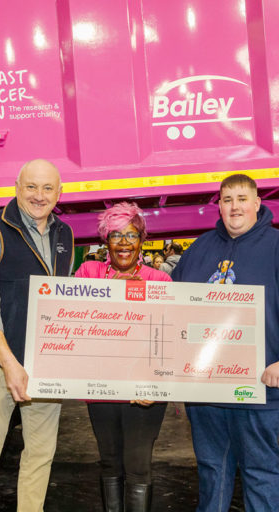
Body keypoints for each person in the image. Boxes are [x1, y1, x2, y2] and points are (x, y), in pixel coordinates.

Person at [171, 174, 279, 511]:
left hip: (259, 387)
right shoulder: (199, 249)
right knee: (212, 471)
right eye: (227, 200)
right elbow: (172, 305)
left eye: (242, 199)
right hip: (206, 389)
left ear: (257, 203)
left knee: (259, 472)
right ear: (219, 206)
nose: (235, 206)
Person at [0, 159, 74, 512]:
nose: (39, 196)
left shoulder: (65, 234)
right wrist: (10, 365)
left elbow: (62, 302)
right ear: (17, 188)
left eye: (48, 188)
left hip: (44, 366)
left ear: (59, 193)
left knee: (40, 456)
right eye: (31, 187)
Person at [75, 202, 171, 511]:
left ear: (142, 240)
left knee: (138, 466)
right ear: (106, 240)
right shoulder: (88, 273)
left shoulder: (159, 281)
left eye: (131, 235)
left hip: (144, 390)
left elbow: (168, 339)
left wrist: (155, 382)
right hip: (101, 387)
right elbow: (73, 325)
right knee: (109, 463)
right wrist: (109, 293)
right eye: (116, 235)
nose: (124, 243)